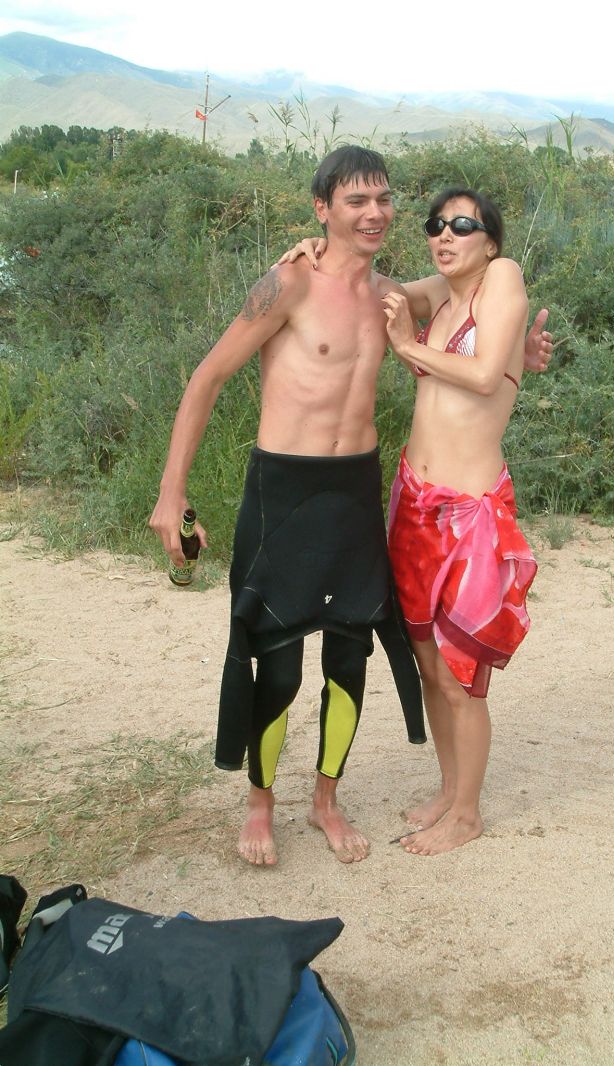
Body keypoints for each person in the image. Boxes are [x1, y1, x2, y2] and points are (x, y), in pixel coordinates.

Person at [149, 146, 552, 868]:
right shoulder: (289, 283)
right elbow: (206, 378)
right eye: (356, 201)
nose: (375, 213)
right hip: (285, 490)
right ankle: (260, 804)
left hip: (357, 490)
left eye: (384, 200)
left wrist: (521, 349)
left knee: (349, 659)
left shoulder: (393, 296)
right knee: (276, 662)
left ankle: (326, 802)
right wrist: (170, 491)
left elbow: (478, 305)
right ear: (323, 209)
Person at [384, 189, 540, 855]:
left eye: (462, 225)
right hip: (414, 502)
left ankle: (468, 814)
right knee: (427, 662)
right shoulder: (440, 295)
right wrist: (314, 250)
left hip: (468, 514)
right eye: (435, 226)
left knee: (460, 675)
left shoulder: (500, 278)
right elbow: (375, 288)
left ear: (491, 240)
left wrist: (406, 346)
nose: (445, 235)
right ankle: (449, 791)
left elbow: (480, 377)